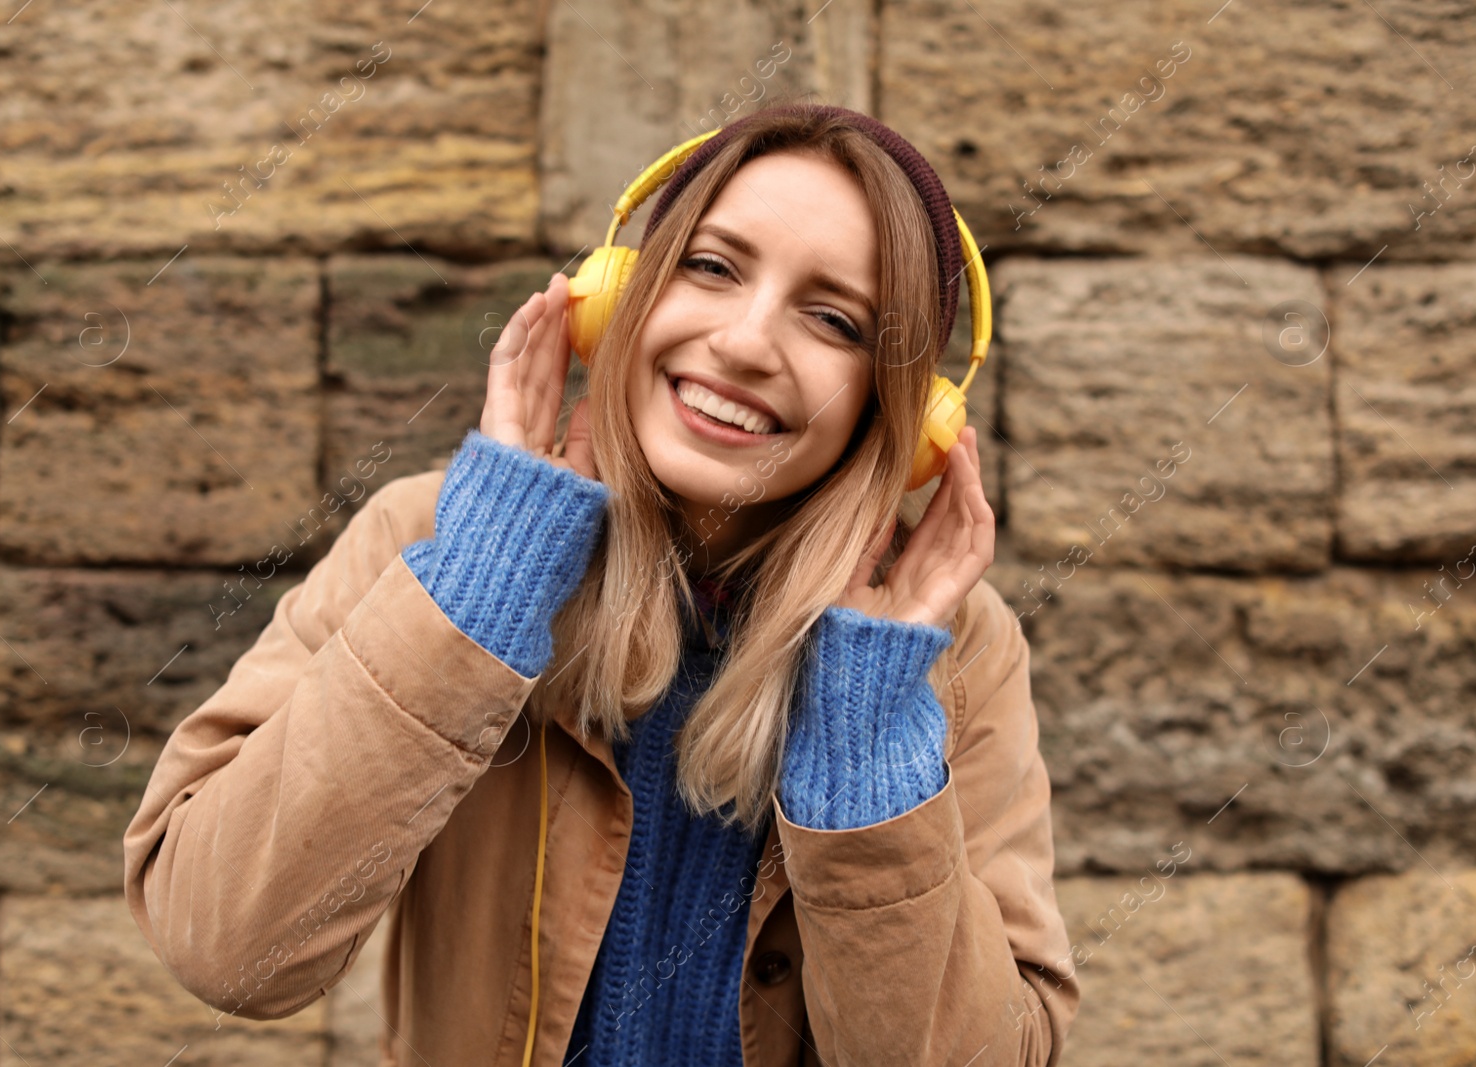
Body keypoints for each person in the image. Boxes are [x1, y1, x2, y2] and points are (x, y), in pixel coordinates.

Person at [124, 101, 1079, 1067]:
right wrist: (485, 581)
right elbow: (224, 946)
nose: (747, 344)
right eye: (711, 266)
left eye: (833, 320)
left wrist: (868, 731)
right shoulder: (434, 538)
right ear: (620, 293)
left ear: (901, 413)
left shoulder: (958, 649)